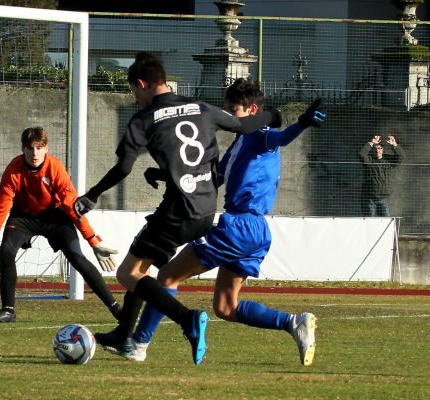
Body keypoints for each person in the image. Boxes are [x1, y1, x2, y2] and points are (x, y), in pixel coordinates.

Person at [74, 53, 280, 365]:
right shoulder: (200, 107)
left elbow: (122, 169)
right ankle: (123, 334)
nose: (136, 98)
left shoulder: (142, 120)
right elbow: (242, 125)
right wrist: (273, 116)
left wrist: (91, 195)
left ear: (142, 84)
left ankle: (187, 319)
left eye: (134, 91)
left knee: (127, 274)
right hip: (207, 213)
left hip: (176, 212)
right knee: (143, 268)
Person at [121, 78, 326, 367]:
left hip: (239, 226)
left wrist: (302, 123)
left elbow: (280, 138)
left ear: (252, 109)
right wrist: (166, 175)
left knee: (166, 277)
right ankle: (294, 322)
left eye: (234, 109)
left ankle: (138, 345)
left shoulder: (260, 134)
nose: (228, 114)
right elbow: (213, 178)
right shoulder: (239, 142)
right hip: (256, 231)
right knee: (226, 307)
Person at [0, 127, 121, 323]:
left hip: (55, 217)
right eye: (30, 148)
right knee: (6, 251)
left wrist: (93, 241)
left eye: (39, 148)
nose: (35, 153)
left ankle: (116, 309)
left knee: (77, 257)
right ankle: (8, 310)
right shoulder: (13, 170)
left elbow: (72, 207)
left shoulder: (55, 168)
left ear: (46, 148)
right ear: (23, 148)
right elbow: (0, 210)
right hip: (23, 218)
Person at [359, 135, 404, 217]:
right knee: (370, 221)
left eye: (380, 148)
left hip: (384, 198)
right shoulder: (369, 160)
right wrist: (372, 142)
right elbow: (362, 154)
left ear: (383, 150)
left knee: (385, 221)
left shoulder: (388, 160)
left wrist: (394, 145)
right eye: (376, 148)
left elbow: (401, 157)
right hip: (370, 198)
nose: (377, 150)